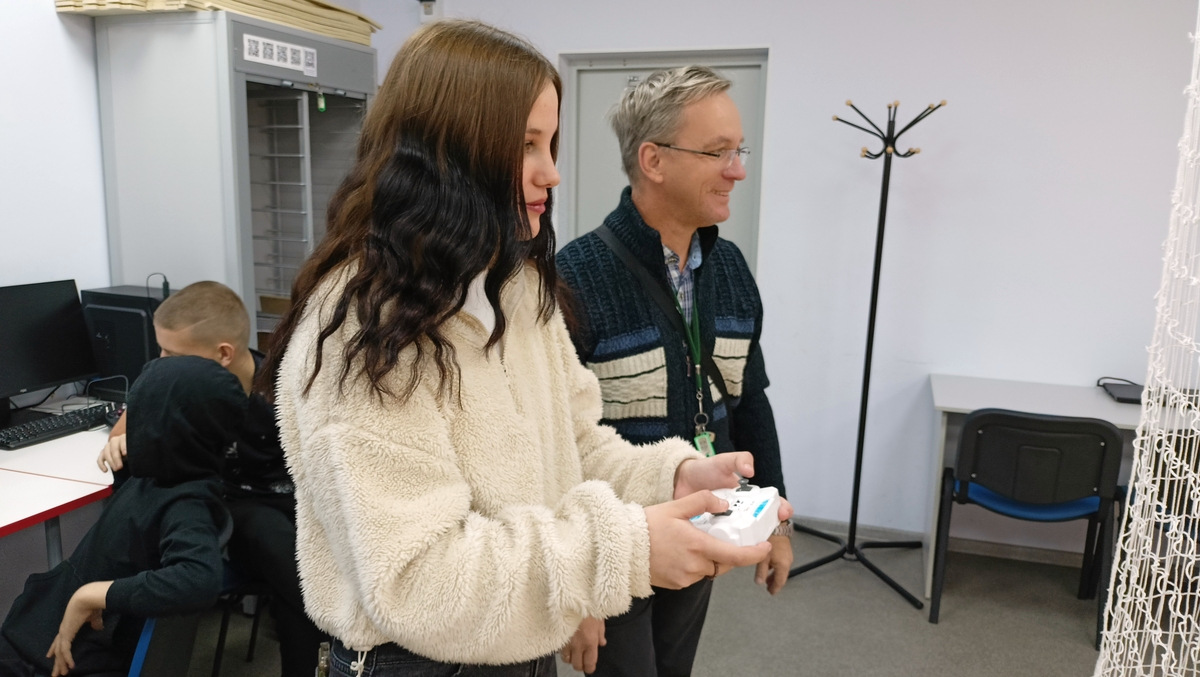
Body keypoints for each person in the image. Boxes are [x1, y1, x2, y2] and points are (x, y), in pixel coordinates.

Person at [256, 19, 792, 677]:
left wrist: (669, 476)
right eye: (526, 145)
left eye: (550, 142)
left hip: (521, 640)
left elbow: (574, 445)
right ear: (449, 152)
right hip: (415, 663)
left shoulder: (517, 287)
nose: (552, 172)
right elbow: (417, 579)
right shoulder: (364, 329)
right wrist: (624, 550)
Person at [555, 65, 792, 676]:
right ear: (653, 160)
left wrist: (776, 517)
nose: (738, 170)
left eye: (739, 151)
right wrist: (580, 586)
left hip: (703, 524)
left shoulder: (731, 270)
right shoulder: (574, 277)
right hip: (616, 544)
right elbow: (553, 443)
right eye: (718, 152)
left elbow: (750, 401)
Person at [95, 281, 327, 677]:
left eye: (172, 354)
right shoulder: (179, 385)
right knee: (280, 550)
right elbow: (126, 427)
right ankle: (323, 619)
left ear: (223, 354)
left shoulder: (284, 389)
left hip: (290, 502)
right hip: (224, 507)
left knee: (302, 561)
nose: (161, 363)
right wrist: (120, 442)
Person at [0, 356, 247, 677]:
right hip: (52, 634)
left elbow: (199, 580)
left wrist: (92, 595)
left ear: (162, 425)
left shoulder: (187, 503)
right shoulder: (173, 475)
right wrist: (130, 467)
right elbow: (138, 531)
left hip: (55, 653)